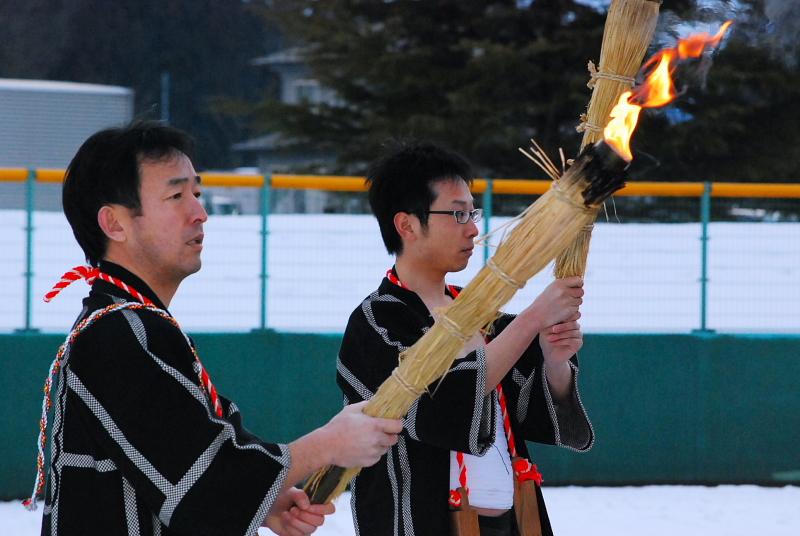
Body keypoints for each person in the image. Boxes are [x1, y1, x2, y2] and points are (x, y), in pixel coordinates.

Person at [34, 120, 403, 536]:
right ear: (115, 224)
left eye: (196, 192)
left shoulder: (135, 325)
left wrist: (262, 500)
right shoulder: (115, 334)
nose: (199, 212)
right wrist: (328, 444)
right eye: (176, 195)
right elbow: (202, 484)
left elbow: (196, 462)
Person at [338, 141, 594, 535]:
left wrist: (555, 358)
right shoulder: (378, 321)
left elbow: (531, 411)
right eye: (457, 214)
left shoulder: (481, 315)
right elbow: (436, 406)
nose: (474, 228)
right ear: (406, 224)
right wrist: (533, 318)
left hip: (509, 520)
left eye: (471, 212)